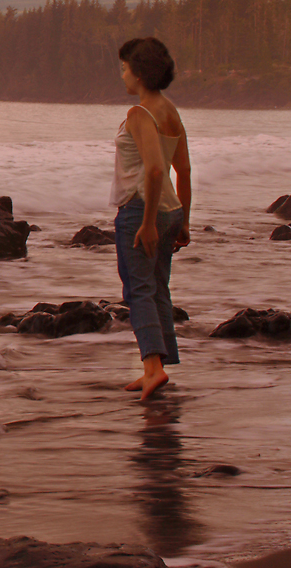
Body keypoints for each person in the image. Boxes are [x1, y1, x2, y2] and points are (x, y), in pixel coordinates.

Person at [111, 37, 191, 402]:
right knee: (158, 287)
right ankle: (159, 366)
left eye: (125, 68)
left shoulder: (139, 114)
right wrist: (184, 221)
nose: (122, 74)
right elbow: (184, 171)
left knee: (138, 289)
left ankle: (152, 370)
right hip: (171, 212)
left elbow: (157, 170)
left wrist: (145, 223)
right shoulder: (170, 110)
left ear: (140, 73)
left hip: (141, 211)